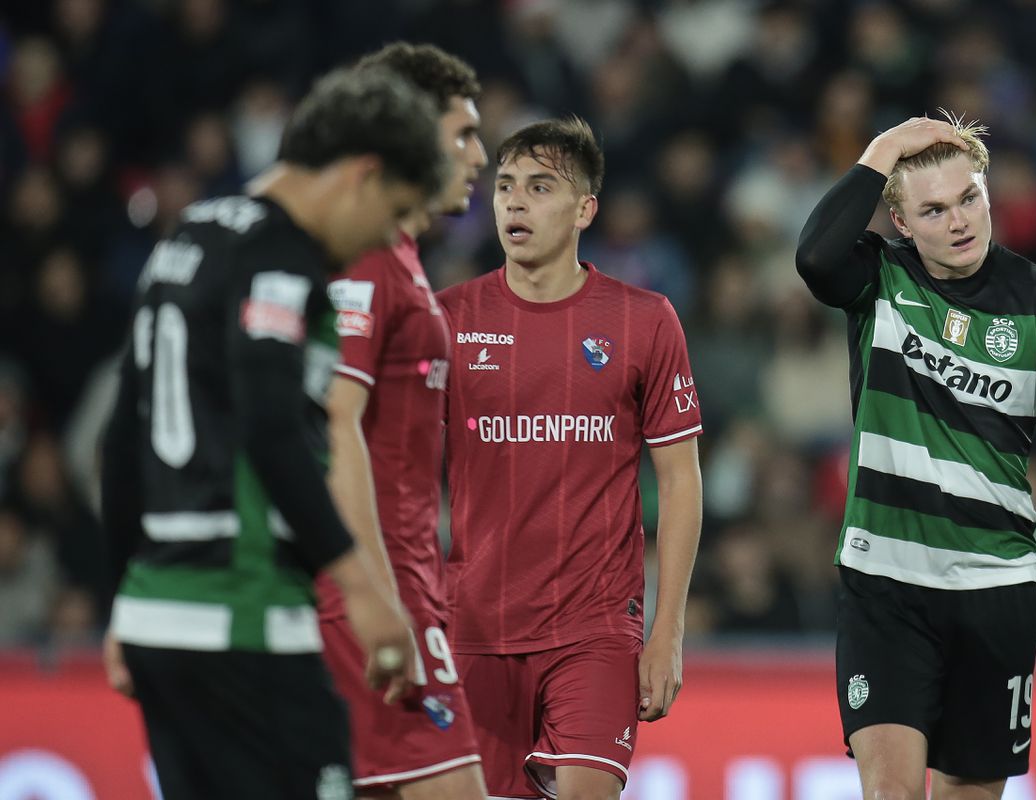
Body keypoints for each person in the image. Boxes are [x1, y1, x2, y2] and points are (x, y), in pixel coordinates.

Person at [99, 67, 446, 800]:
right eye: (394, 213)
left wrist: (123, 601)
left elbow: (119, 441)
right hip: (245, 611)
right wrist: (365, 590)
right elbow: (271, 428)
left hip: (160, 614)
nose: (380, 240)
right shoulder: (279, 256)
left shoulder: (184, 239)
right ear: (363, 174)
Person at [795, 113, 1036, 800]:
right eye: (933, 210)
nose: (959, 220)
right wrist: (883, 148)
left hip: (994, 586)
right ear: (902, 224)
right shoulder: (877, 278)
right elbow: (815, 259)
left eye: (969, 197)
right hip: (884, 581)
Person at [436, 117, 704, 800]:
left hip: (595, 628)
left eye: (539, 187)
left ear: (585, 209)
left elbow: (679, 480)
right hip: (474, 626)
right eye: (504, 187)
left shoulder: (643, 320)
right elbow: (396, 476)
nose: (515, 203)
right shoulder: (447, 320)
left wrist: (667, 632)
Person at [314, 42, 488, 799]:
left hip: (401, 584)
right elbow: (334, 420)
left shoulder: (403, 259)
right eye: (462, 135)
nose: (480, 156)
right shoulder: (367, 262)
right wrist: (375, 596)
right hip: (378, 593)